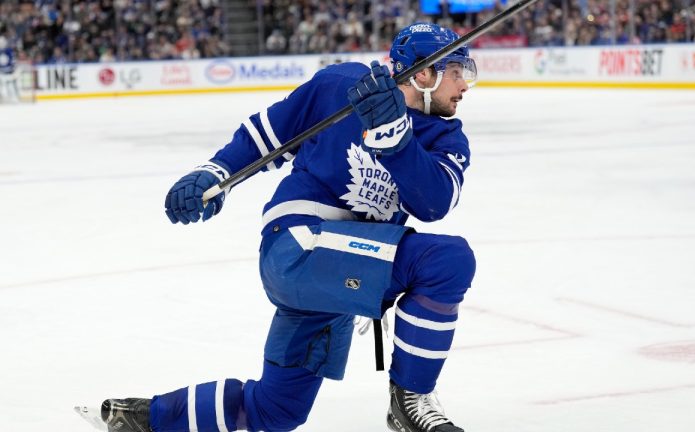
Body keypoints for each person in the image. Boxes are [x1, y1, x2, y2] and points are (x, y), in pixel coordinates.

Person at [100, 23, 477, 432]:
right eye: (457, 71)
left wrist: (398, 142)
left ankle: (146, 419)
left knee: (275, 411)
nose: (466, 84)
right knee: (447, 260)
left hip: (341, 274)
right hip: (298, 247)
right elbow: (267, 133)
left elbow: (434, 202)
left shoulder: (447, 139)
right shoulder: (342, 85)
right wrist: (214, 172)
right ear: (424, 73)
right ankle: (411, 401)